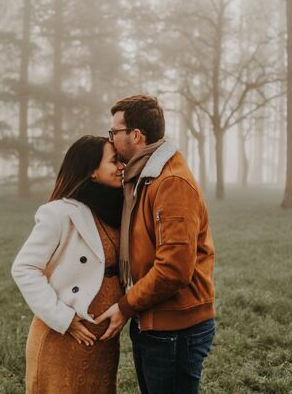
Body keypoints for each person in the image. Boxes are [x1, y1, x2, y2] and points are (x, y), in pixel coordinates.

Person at [96, 95, 215, 394]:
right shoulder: (142, 178)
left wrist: (125, 306)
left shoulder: (170, 182)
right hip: (153, 320)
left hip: (175, 329)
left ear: (136, 135)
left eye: (114, 133)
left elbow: (174, 269)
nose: (110, 140)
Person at [11, 135, 125, 394]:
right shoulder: (59, 213)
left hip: (103, 340)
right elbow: (24, 268)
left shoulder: (116, 211)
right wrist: (64, 319)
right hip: (63, 335)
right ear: (92, 171)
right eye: (114, 161)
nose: (121, 167)